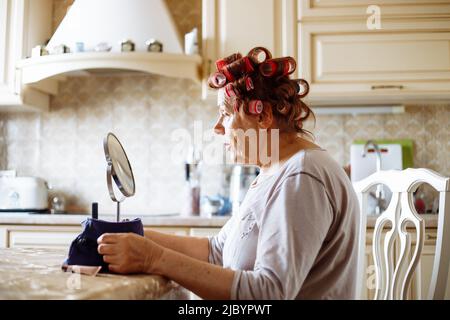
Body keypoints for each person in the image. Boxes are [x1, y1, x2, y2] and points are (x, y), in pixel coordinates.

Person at [97, 47, 360, 300]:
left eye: (225, 114)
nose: (217, 128)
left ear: (263, 116)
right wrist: (134, 234)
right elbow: (216, 251)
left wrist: (154, 259)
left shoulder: (302, 177)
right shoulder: (275, 171)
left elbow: (269, 293)